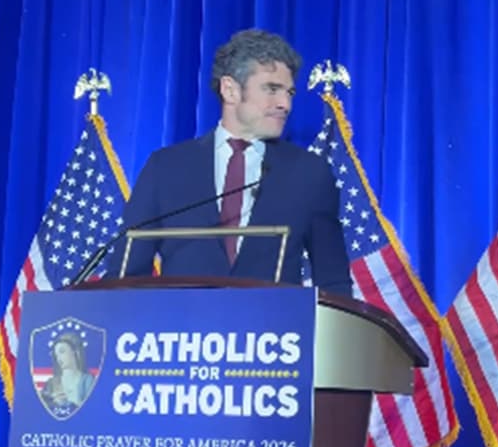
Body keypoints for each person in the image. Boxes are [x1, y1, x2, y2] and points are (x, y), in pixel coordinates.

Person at [111, 28, 353, 297]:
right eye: (272, 89)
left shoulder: (309, 173)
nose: (285, 103)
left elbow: (334, 283)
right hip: (183, 331)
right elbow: (125, 278)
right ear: (230, 90)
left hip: (274, 332)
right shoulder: (165, 168)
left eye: (290, 93)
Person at [41, 332, 95, 414]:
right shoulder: (51, 383)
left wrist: (68, 403)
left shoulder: (87, 380)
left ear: (75, 351)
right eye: (56, 355)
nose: (59, 358)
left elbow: (91, 410)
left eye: (62, 352)